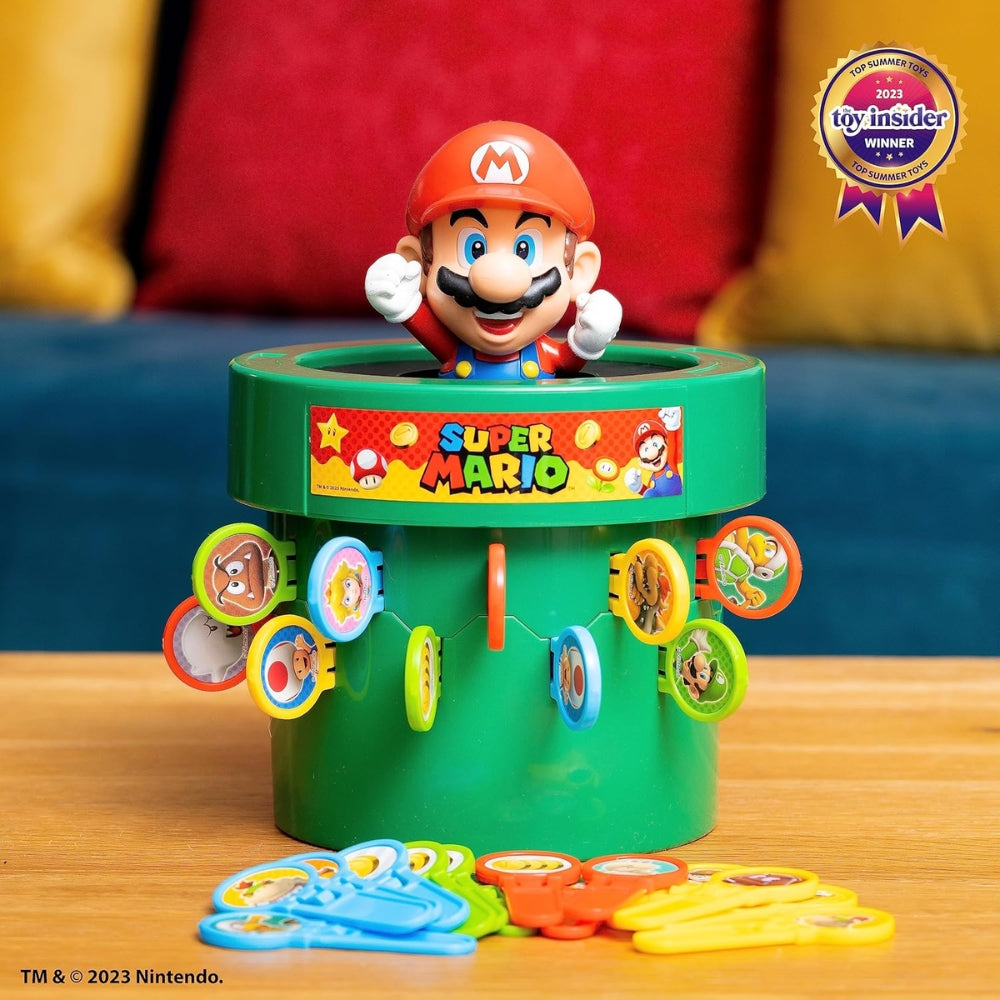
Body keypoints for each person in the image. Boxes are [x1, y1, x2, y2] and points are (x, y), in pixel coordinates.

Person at [365, 121, 621, 379]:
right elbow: (426, 329)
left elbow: (567, 362)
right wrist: (400, 303)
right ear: (420, 264)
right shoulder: (455, 349)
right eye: (473, 248)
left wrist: (590, 340)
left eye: (525, 249)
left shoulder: (542, 354)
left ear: (579, 270)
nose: (499, 284)